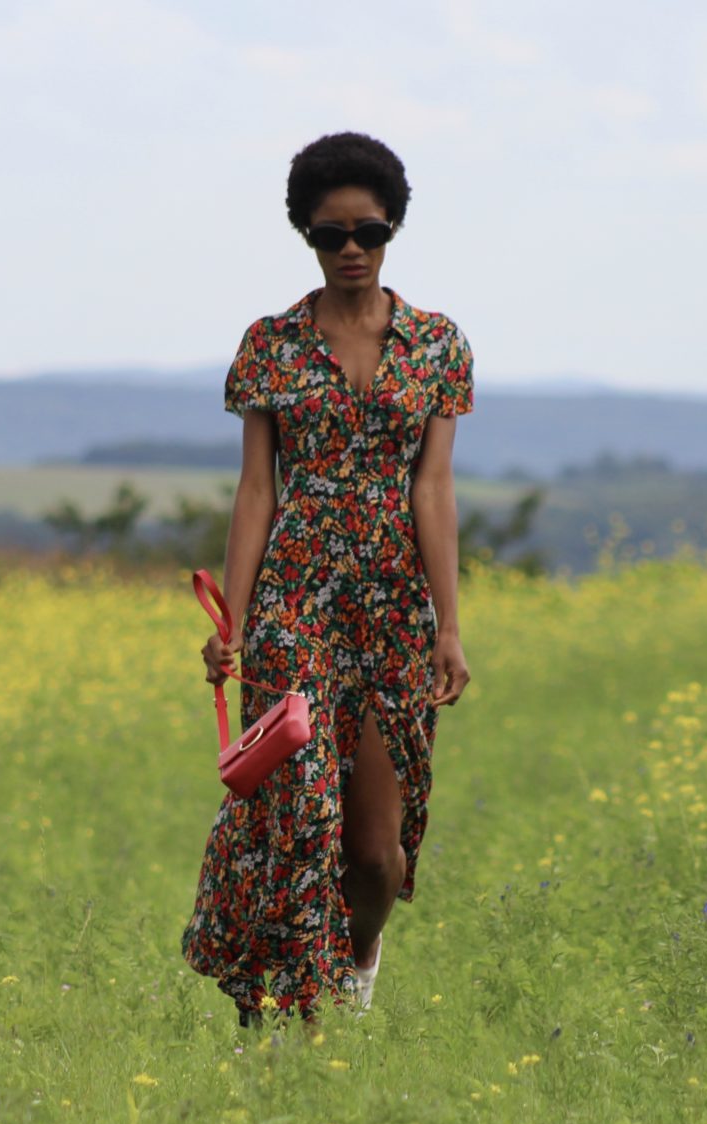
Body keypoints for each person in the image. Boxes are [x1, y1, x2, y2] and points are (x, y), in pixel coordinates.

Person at [182, 131, 473, 1023]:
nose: (351, 250)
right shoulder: (270, 345)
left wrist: (450, 628)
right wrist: (231, 623)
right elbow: (257, 489)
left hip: (394, 611)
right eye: (330, 235)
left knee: (377, 856)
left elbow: (432, 488)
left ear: (393, 231)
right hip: (295, 605)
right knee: (298, 827)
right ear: (306, 236)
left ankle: (356, 968)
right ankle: (284, 1021)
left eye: (369, 232)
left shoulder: (436, 346)